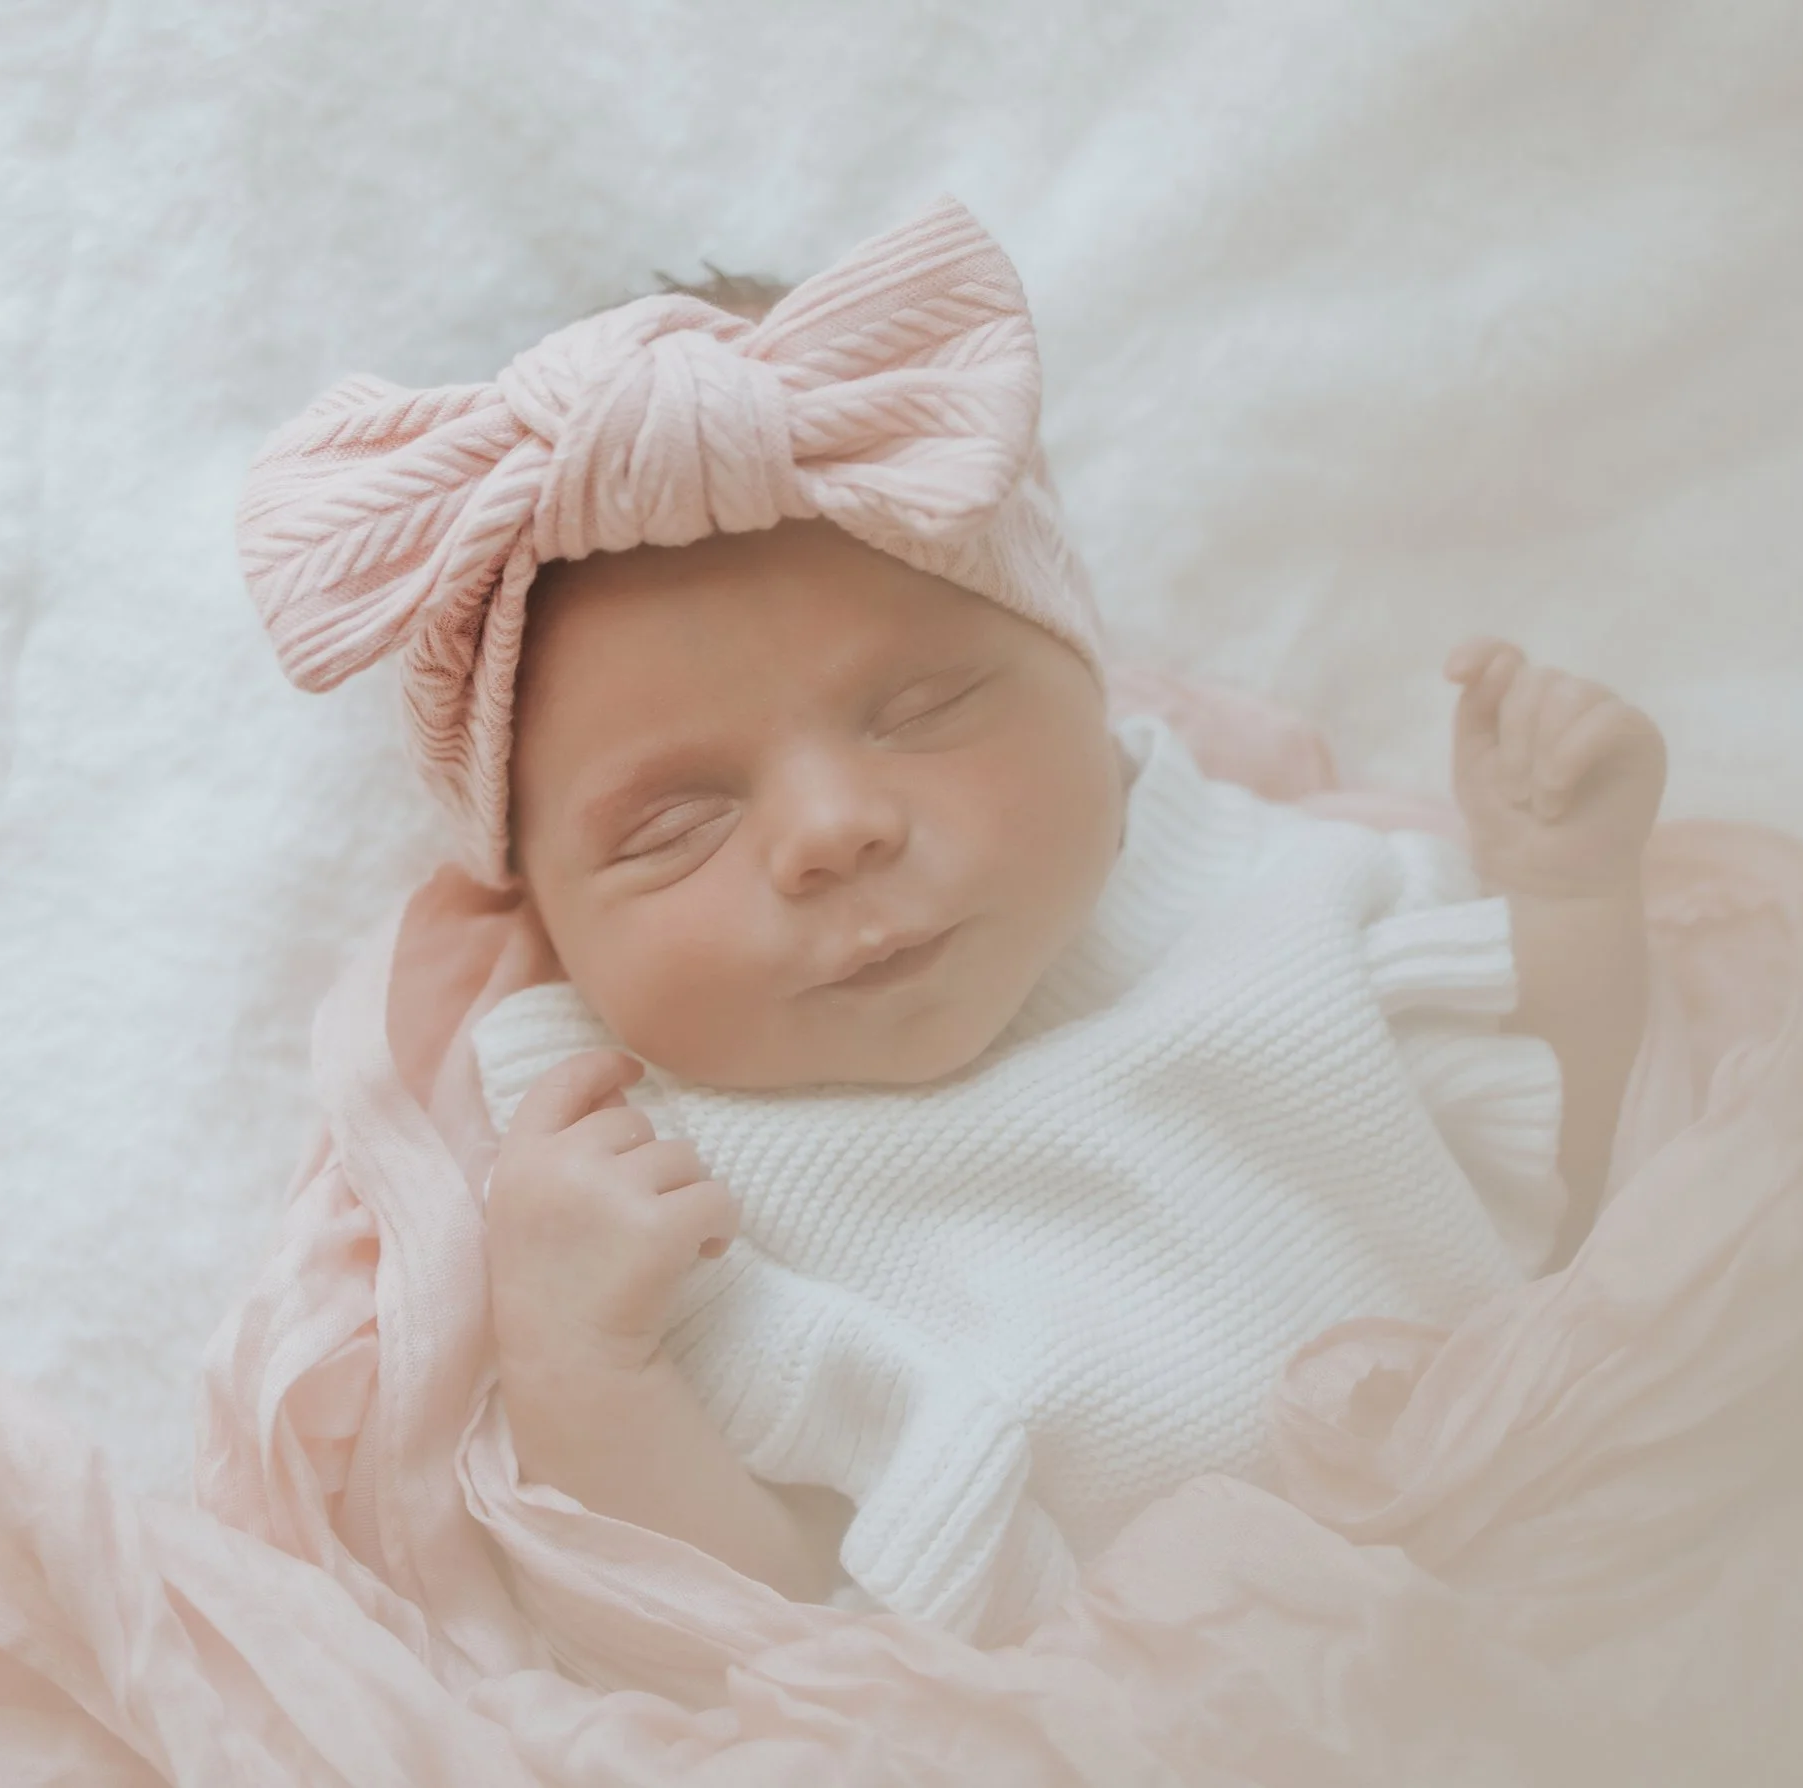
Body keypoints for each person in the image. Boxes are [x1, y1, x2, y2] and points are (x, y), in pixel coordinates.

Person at [237, 196, 1663, 1643]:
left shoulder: (1257, 896)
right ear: (541, 908)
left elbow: (1594, 1167)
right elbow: (735, 1651)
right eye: (675, 825)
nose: (831, 830)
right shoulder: (642, 1192)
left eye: (923, 708)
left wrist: (1566, 900)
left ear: (1080, 676)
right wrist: (584, 1366)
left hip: (1573, 1578)